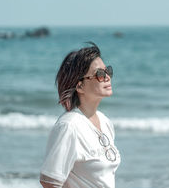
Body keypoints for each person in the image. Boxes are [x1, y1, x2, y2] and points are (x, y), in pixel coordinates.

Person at [40, 42, 121, 188]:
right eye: (100, 74)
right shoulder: (69, 126)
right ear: (80, 86)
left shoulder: (105, 121)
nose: (107, 77)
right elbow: (49, 181)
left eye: (107, 71)